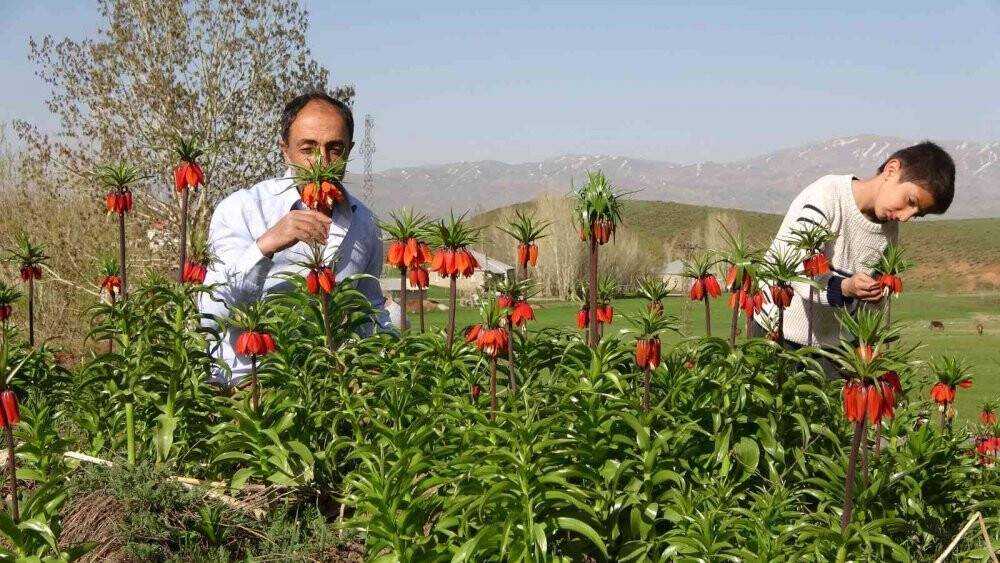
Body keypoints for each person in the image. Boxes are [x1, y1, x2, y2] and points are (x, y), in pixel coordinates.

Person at [200, 89, 395, 385]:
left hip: (328, 385)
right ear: (284, 149)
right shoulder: (242, 210)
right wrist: (265, 246)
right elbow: (212, 311)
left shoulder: (365, 222)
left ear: (349, 151)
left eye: (335, 148)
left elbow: (369, 308)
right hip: (247, 385)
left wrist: (386, 356)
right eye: (308, 148)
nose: (321, 162)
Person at [753, 141, 956, 363]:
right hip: (775, 328)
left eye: (917, 214)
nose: (906, 216)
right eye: (910, 201)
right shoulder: (827, 195)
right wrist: (845, 287)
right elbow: (797, 271)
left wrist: (873, 297)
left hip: (832, 345)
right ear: (891, 170)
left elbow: (871, 306)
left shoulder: (889, 230)